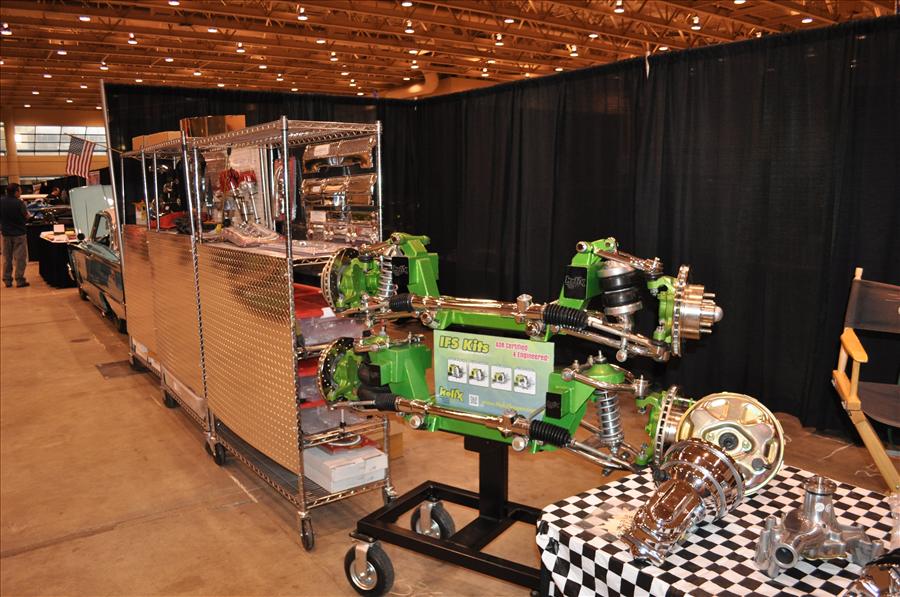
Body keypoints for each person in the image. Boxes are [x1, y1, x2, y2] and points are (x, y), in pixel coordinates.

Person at [0, 183, 30, 288]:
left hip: (5, 234)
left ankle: (7, 280)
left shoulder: (1, 202)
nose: (21, 192)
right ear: (16, 192)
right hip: (19, 234)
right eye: (20, 190)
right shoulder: (19, 203)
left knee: (7, 258)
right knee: (20, 258)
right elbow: (26, 216)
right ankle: (20, 280)